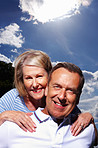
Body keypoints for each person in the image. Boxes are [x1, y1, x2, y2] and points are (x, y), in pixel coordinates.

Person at [0, 62, 95, 148]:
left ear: (78, 98)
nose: (62, 97)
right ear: (46, 89)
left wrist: (90, 119)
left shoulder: (87, 130)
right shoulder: (12, 127)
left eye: (70, 90)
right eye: (57, 87)